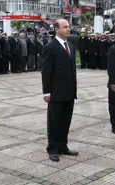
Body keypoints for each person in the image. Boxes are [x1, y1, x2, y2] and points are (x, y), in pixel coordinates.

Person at [42, 19, 78, 162]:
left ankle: (63, 146)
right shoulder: (50, 47)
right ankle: (53, 148)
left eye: (69, 27)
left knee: (65, 121)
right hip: (56, 92)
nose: (69, 29)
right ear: (57, 29)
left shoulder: (70, 45)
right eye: (65, 27)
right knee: (54, 121)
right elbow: (46, 71)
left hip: (69, 91)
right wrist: (46, 92)